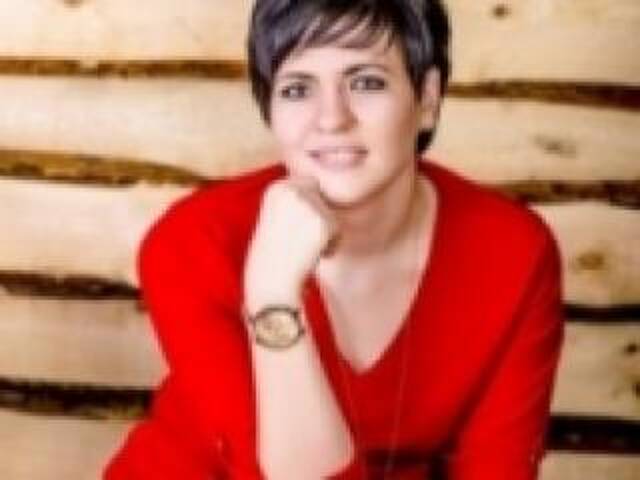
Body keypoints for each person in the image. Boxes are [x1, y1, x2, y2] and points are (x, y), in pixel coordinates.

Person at [104, 1, 564, 479]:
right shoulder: (193, 243)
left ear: (426, 98)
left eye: (366, 82)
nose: (331, 119)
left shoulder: (512, 253)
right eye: (297, 89)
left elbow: (498, 467)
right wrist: (273, 293)